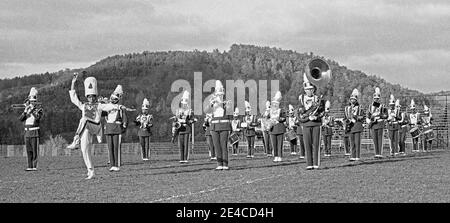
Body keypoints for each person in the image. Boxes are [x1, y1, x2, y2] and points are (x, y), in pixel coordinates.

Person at [69, 73, 124, 179]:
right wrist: (73, 83)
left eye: (93, 96)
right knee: (84, 149)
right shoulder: (84, 106)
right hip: (85, 129)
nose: (91, 98)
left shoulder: (99, 105)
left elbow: (110, 106)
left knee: (84, 119)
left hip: (96, 126)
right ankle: (90, 171)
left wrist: (121, 106)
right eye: (89, 97)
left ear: (95, 96)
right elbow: (74, 98)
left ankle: (76, 140)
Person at [298, 74, 324, 169]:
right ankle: (309, 163)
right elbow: (300, 110)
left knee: (316, 143)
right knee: (307, 144)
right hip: (306, 123)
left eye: (311, 89)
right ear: (304, 89)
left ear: (313, 89)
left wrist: (316, 117)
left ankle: (316, 163)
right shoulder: (301, 98)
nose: (309, 91)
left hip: (316, 124)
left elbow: (322, 111)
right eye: (307, 89)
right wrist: (306, 117)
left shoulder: (318, 98)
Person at [206, 80, 232, 170]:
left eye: (221, 94)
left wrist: (227, 106)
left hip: (224, 126)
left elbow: (230, 115)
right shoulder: (212, 102)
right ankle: (219, 163)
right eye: (218, 94)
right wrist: (211, 104)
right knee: (216, 145)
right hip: (214, 127)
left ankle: (225, 164)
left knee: (223, 145)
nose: (219, 96)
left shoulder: (227, 102)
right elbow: (207, 111)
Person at [103, 85, 128, 171]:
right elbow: (103, 114)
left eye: (114, 99)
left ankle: (116, 165)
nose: (112, 100)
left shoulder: (120, 108)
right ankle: (112, 164)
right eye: (112, 98)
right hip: (109, 128)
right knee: (110, 147)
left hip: (117, 128)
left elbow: (124, 117)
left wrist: (124, 126)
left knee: (116, 147)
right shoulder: (107, 107)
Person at [19, 87, 43, 171]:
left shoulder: (39, 110)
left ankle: (34, 166)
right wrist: (25, 111)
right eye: (31, 101)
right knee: (28, 151)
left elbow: (37, 118)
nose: (32, 103)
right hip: (27, 133)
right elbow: (21, 119)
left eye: (33, 102)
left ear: (36, 102)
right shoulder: (27, 109)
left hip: (35, 133)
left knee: (34, 151)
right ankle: (29, 166)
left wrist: (32, 110)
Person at [175, 91, 196, 163]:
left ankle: (185, 158)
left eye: (185, 104)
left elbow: (193, 120)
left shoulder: (190, 111)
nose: (184, 105)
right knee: (180, 144)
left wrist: (187, 121)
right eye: (183, 104)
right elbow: (175, 120)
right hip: (180, 129)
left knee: (186, 144)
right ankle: (181, 158)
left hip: (187, 129)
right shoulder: (178, 110)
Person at [366, 87, 387, 158]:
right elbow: (367, 116)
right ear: (373, 99)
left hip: (380, 123)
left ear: (379, 99)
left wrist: (380, 115)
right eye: (375, 98)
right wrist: (369, 121)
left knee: (380, 139)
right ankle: (376, 153)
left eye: (377, 99)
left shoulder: (382, 106)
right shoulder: (370, 106)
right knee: (374, 139)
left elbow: (386, 115)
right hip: (373, 124)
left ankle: (380, 153)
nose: (376, 100)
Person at [345, 89, 364, 161]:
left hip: (357, 125)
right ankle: (353, 156)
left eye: (354, 99)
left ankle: (357, 156)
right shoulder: (347, 108)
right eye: (351, 99)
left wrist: (355, 117)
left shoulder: (359, 107)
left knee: (357, 142)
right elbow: (345, 117)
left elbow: (362, 117)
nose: (352, 101)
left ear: (356, 100)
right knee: (352, 142)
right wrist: (346, 122)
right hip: (350, 126)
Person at [268, 91, 286, 162]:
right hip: (272, 129)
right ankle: (275, 156)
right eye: (274, 103)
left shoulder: (281, 110)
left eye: (276, 103)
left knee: (280, 144)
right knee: (274, 144)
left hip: (280, 128)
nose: (275, 105)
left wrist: (279, 119)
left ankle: (280, 156)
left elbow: (284, 118)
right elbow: (266, 118)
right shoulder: (270, 111)